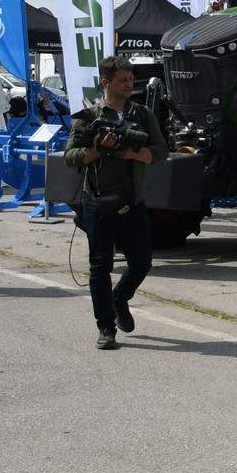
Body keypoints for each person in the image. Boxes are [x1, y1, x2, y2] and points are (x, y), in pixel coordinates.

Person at [63, 56, 168, 351]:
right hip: (98, 202)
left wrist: (134, 153)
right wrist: (97, 151)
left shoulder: (142, 114)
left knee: (142, 263)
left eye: (130, 78)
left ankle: (120, 297)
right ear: (105, 83)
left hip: (133, 202)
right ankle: (106, 328)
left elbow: (161, 151)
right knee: (100, 267)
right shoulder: (87, 117)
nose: (129, 83)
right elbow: (70, 157)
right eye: (123, 79)